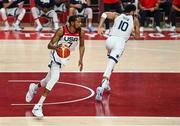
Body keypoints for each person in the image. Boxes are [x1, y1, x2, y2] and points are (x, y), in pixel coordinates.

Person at [25, 15, 85, 117]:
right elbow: (49, 45)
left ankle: (34, 87)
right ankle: (38, 106)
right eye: (78, 22)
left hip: (65, 57)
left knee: (47, 80)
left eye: (80, 22)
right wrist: (56, 47)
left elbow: (82, 45)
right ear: (71, 23)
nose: (80, 24)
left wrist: (81, 59)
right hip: (56, 55)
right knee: (54, 78)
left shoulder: (80, 32)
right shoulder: (61, 30)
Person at [95, 4, 140, 101]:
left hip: (109, 41)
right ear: (132, 12)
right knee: (109, 66)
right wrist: (131, 33)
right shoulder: (135, 20)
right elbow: (137, 37)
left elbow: (104, 14)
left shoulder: (117, 15)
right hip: (119, 43)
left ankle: (106, 84)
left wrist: (100, 27)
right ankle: (101, 87)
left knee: (112, 62)